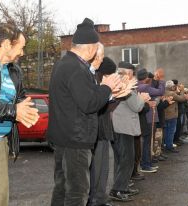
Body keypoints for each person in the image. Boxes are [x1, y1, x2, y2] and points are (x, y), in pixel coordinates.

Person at [48, 18, 124, 206]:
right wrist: (107, 87)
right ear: (90, 48)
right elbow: (89, 103)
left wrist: (106, 92)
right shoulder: (76, 68)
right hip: (76, 139)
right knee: (77, 192)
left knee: (62, 188)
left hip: (64, 138)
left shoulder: (64, 64)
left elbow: (81, 99)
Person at [0, 24, 39, 206]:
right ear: (6, 44)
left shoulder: (14, 70)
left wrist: (26, 110)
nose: (23, 52)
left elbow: (20, 99)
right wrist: (13, 111)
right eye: (21, 46)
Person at [109, 62, 150, 202]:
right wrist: (143, 99)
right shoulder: (124, 85)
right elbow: (137, 107)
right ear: (125, 73)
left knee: (121, 159)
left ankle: (122, 186)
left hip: (118, 127)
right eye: (131, 73)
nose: (133, 76)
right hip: (123, 128)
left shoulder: (117, 83)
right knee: (127, 160)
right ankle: (118, 190)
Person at [88, 56, 117, 206]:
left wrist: (118, 96)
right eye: (108, 74)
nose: (110, 77)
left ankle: (100, 198)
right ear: (102, 74)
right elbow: (98, 108)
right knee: (96, 170)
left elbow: (108, 109)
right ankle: (93, 199)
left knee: (103, 169)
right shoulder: (93, 82)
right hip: (96, 133)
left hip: (104, 131)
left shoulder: (101, 84)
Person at [136, 68, 165, 173]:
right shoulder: (145, 87)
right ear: (146, 77)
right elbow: (161, 91)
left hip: (143, 117)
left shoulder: (137, 85)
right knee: (147, 142)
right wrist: (161, 79)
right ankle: (146, 164)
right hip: (148, 117)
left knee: (146, 142)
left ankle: (147, 162)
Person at [164, 80, 188, 153]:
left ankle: (166, 145)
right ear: (172, 86)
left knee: (166, 131)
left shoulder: (164, 92)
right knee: (171, 131)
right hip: (172, 115)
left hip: (165, 115)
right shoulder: (172, 93)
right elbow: (182, 99)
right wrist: (182, 90)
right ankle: (169, 146)